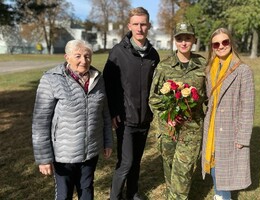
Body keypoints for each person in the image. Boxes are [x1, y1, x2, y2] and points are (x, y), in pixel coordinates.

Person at [32, 39, 113, 200]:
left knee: (87, 190)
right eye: (78, 56)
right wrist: (43, 158)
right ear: (67, 57)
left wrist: (108, 141)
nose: (84, 60)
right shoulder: (51, 79)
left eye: (88, 56)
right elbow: (41, 122)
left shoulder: (98, 79)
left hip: (90, 150)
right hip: (63, 153)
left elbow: (104, 113)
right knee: (64, 195)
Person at [103, 7, 160, 200]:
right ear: (129, 26)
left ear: (149, 26)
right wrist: (114, 111)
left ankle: (132, 193)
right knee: (126, 162)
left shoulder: (154, 55)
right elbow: (108, 84)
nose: (139, 28)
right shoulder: (118, 52)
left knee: (136, 162)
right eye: (135, 24)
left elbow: (157, 86)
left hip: (145, 118)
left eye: (143, 24)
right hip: (125, 118)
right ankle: (115, 196)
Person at [149, 21, 206, 200]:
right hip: (169, 129)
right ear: (175, 41)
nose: (183, 42)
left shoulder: (203, 65)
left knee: (183, 170)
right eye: (180, 38)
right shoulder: (164, 66)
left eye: (187, 38)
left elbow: (209, 96)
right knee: (170, 168)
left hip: (192, 128)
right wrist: (169, 113)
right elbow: (153, 98)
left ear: (194, 40)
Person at [201, 28, 255, 200]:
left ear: (231, 43)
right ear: (212, 47)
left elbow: (247, 107)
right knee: (216, 166)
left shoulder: (243, 70)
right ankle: (220, 195)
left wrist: (242, 138)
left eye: (225, 42)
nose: (221, 46)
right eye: (216, 44)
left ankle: (223, 197)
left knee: (224, 170)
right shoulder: (210, 69)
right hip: (213, 127)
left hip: (230, 129)